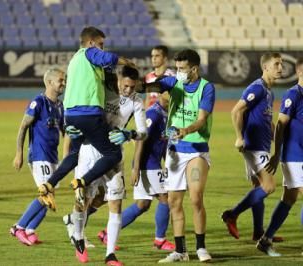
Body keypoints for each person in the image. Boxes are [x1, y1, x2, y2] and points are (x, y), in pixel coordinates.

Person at [37, 26, 136, 211]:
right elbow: (109, 58)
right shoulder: (89, 53)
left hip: (71, 116)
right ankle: (83, 181)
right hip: (88, 114)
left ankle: (49, 184)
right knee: (113, 154)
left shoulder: (75, 60)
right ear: (91, 43)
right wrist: (127, 62)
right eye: (100, 44)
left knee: (75, 154)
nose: (102, 48)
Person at [64, 66, 147, 266]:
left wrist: (130, 134)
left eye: (132, 87)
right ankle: (78, 236)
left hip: (114, 155)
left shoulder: (137, 101)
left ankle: (110, 255)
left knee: (116, 203)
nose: (128, 90)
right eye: (125, 85)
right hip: (90, 151)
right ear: (118, 79)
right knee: (83, 200)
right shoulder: (102, 90)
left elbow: (143, 131)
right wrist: (71, 129)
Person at [140, 49, 215, 263]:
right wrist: (136, 85)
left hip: (196, 150)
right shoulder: (173, 83)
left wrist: (186, 130)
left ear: (194, 68)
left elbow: (201, 120)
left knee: (196, 197)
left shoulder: (206, 88)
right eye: (178, 68)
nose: (179, 72)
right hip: (174, 151)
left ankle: (201, 247)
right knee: (174, 201)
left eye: (182, 68)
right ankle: (181, 251)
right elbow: (151, 87)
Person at [95, 92, 175, 252]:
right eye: (171, 92)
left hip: (154, 163)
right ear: (162, 93)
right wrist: (136, 168)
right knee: (166, 198)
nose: (174, 95)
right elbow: (140, 140)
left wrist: (167, 163)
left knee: (142, 204)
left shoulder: (167, 113)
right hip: (148, 164)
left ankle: (107, 234)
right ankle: (160, 240)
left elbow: (164, 142)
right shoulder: (153, 113)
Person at [221, 53, 283, 243]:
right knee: (269, 186)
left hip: (261, 145)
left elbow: (266, 118)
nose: (280, 68)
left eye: (281, 64)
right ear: (265, 67)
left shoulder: (269, 91)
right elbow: (236, 110)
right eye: (276, 64)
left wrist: (277, 137)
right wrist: (239, 137)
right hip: (253, 146)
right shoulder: (257, 88)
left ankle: (258, 232)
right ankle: (232, 214)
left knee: (258, 187)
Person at [9, 68, 65, 246]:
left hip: (53, 157)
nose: (63, 84)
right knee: (45, 195)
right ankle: (18, 227)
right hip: (39, 156)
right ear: (49, 82)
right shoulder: (38, 102)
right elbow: (23, 126)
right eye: (60, 81)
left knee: (50, 196)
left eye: (64, 81)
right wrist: (19, 153)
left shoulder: (59, 106)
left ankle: (30, 230)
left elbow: (64, 131)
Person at [256, 58, 303, 257]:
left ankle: (266, 239)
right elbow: (280, 125)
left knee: (289, 198)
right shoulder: (293, 94)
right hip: (294, 156)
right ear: (300, 71)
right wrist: (277, 154)